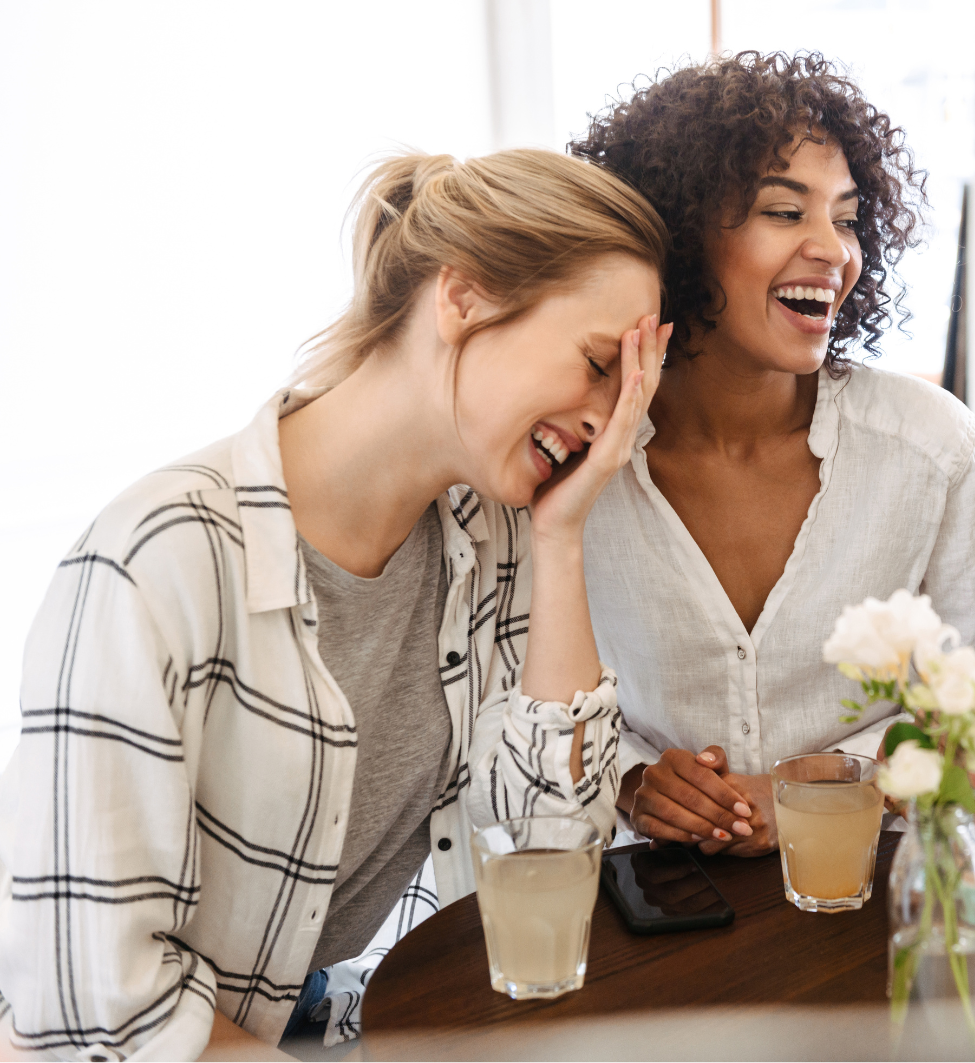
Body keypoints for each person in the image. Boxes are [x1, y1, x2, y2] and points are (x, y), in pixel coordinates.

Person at [0, 148, 671, 1059]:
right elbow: (101, 1003)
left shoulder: (499, 531)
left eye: (631, 392)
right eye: (600, 366)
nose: (610, 424)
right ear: (464, 297)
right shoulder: (157, 560)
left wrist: (561, 541)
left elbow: (549, 848)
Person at [568, 51, 975, 856]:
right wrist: (633, 780)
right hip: (651, 909)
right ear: (679, 235)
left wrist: (831, 783)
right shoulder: (578, 457)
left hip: (879, 889)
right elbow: (514, 692)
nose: (834, 249)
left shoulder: (933, 449)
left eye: (848, 218)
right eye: (785, 213)